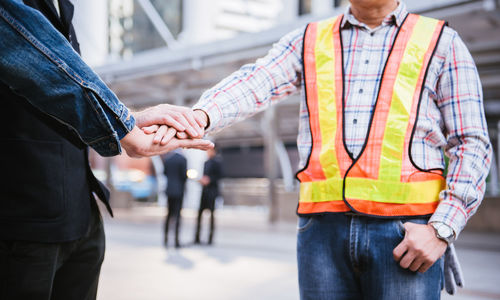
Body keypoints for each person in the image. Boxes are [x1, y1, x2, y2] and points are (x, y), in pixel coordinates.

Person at [151, 0, 492, 298]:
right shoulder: (309, 40)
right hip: (321, 235)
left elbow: (471, 142)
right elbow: (256, 81)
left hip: (406, 236)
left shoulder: (441, 42)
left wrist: (441, 229)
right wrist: (197, 116)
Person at [0, 1, 211, 299]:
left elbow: (60, 88)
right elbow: (30, 52)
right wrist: (124, 126)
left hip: (80, 214)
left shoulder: (64, 7)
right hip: (21, 220)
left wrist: (128, 121)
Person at [195, 147, 223, 245]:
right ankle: (197, 237)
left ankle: (210, 239)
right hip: (204, 191)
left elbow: (220, 176)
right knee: (199, 214)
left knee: (211, 215)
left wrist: (209, 179)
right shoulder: (206, 162)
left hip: (212, 192)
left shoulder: (217, 162)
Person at [162, 150, 188, 248]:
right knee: (177, 216)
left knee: (168, 215)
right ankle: (176, 240)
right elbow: (184, 176)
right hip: (179, 191)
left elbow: (164, 173)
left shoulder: (167, 159)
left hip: (169, 190)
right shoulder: (183, 159)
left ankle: (165, 239)